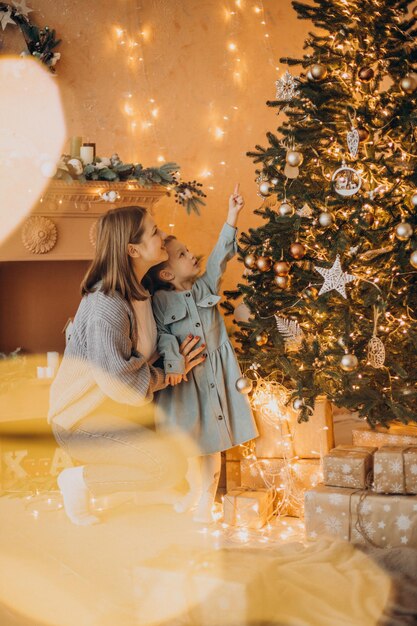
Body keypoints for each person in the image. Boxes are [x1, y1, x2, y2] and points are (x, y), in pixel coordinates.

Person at [48, 205, 205, 525]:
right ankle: (77, 482)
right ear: (133, 249)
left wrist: (177, 357)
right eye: (154, 232)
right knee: (168, 467)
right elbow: (117, 379)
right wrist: (169, 374)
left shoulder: (143, 287)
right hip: (78, 421)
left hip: (117, 410)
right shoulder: (107, 304)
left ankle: (142, 487)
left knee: (171, 459)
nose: (164, 236)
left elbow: (155, 341)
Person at [150, 184, 258, 522]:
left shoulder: (204, 287)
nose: (191, 255)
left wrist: (232, 216)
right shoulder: (158, 302)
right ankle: (194, 491)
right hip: (185, 382)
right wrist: (175, 361)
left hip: (213, 375)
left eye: (187, 250)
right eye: (182, 255)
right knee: (188, 444)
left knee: (212, 442)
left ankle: (205, 501)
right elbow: (163, 337)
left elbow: (218, 258)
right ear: (167, 274)